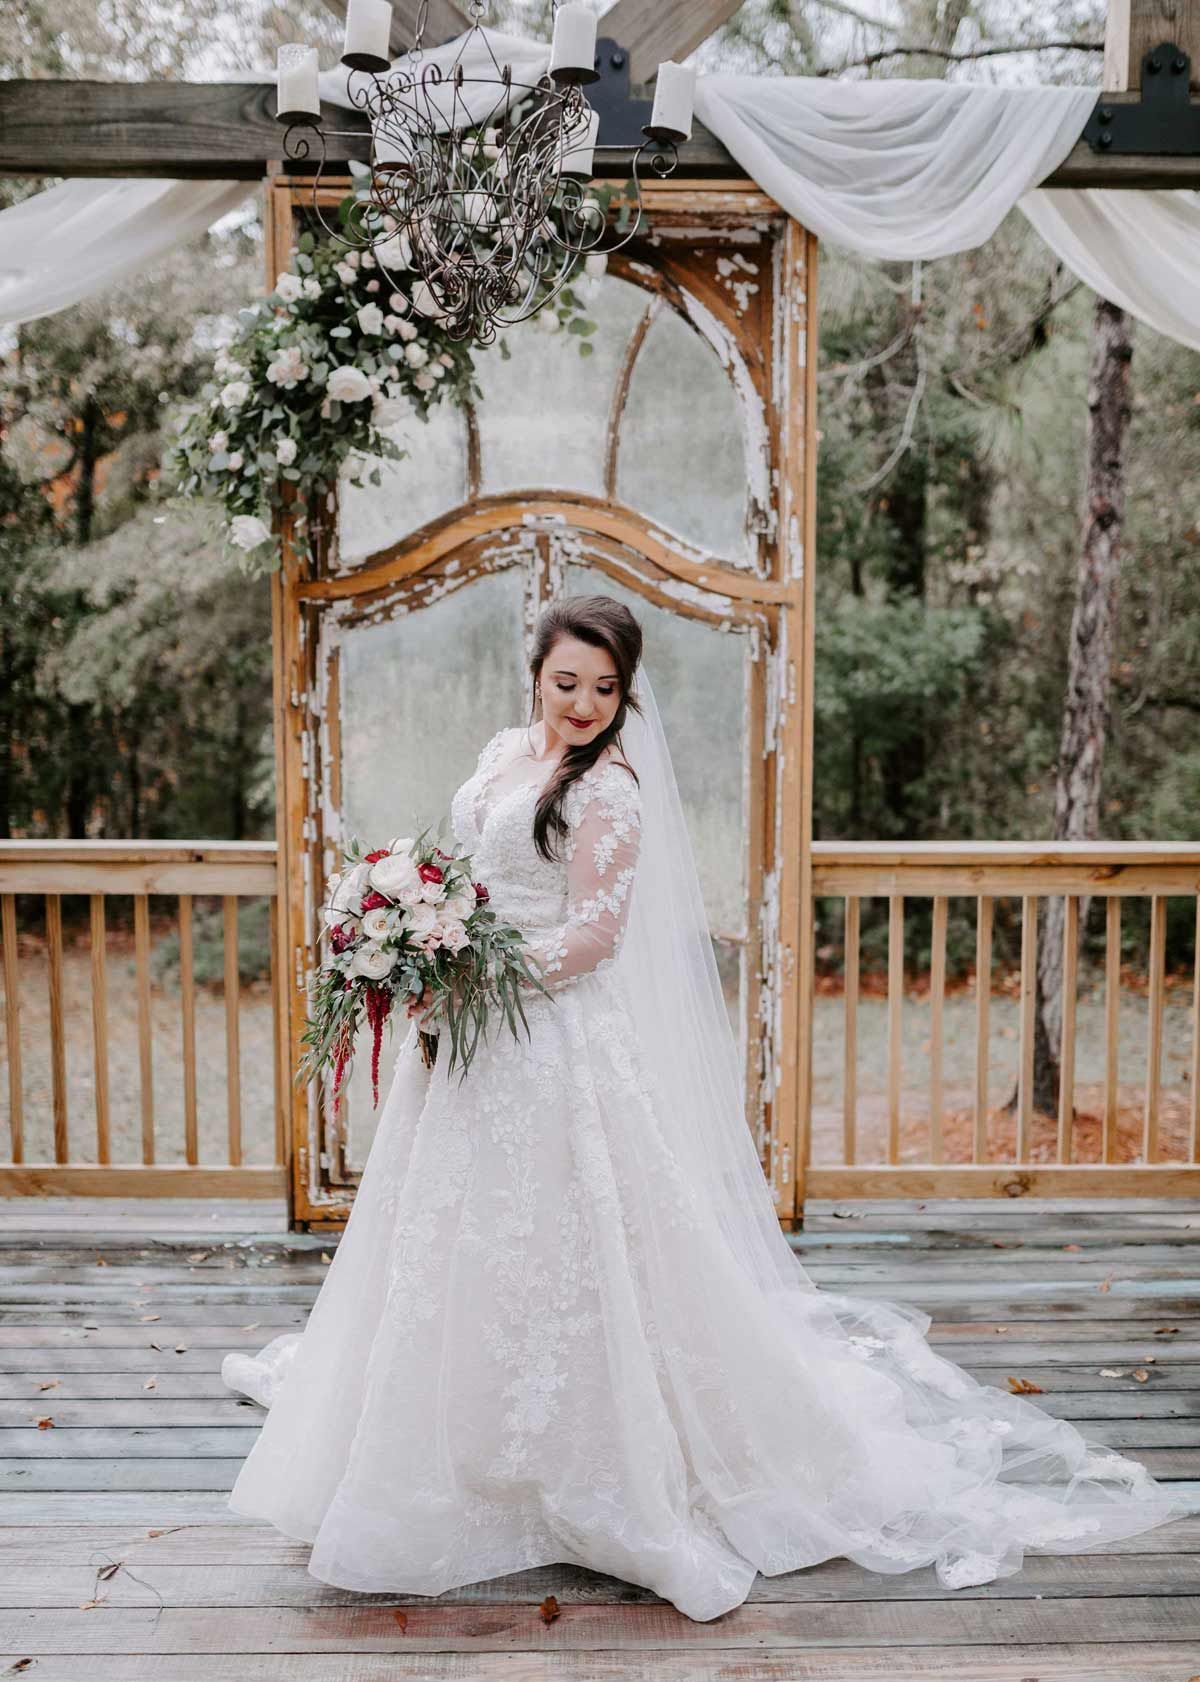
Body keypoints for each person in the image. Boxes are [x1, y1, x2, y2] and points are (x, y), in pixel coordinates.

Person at [222, 593, 1189, 1621]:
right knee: (448, 1239)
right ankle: (443, 1434)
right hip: (466, 1049)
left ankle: (592, 1456)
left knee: (569, 1241)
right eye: (566, 681)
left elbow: (592, 938)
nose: (584, 702)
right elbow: (469, 871)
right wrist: (413, 920)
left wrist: (469, 974)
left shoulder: (613, 795)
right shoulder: (505, 751)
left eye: (604, 686)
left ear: (625, 690)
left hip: (549, 1043)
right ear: (534, 675)